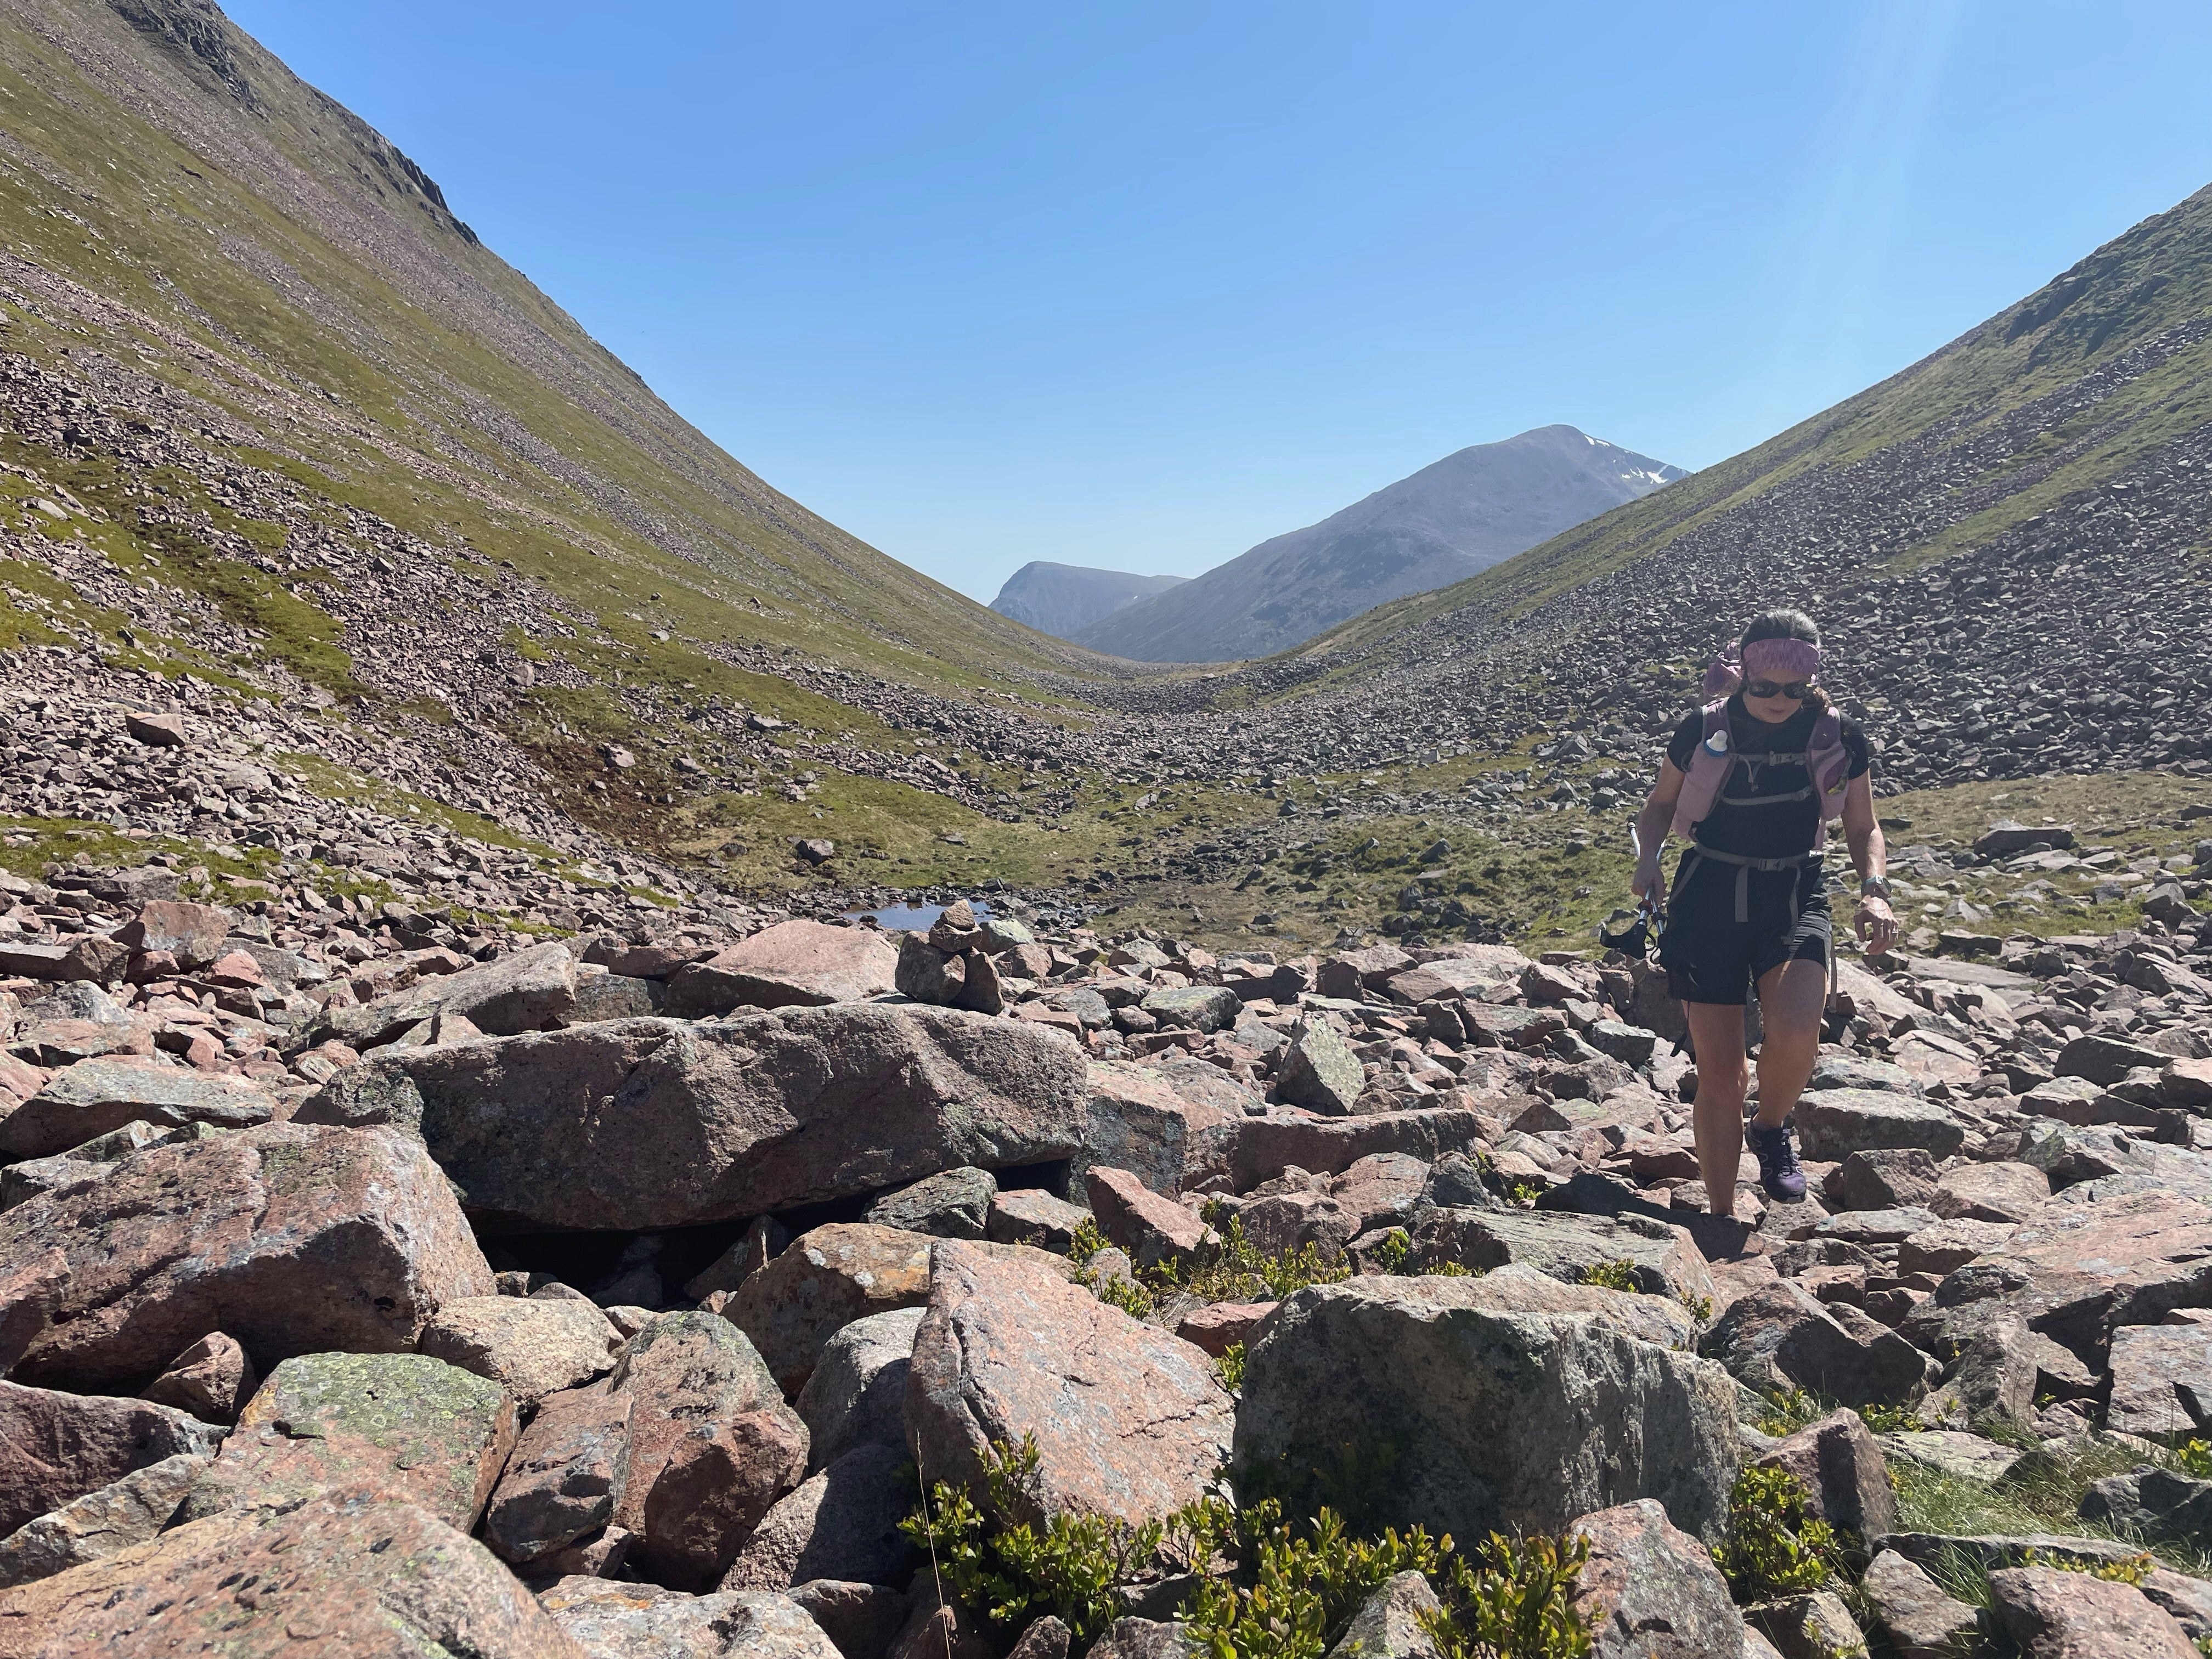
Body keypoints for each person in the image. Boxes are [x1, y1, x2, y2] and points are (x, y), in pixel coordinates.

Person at [1629, 608, 1897, 1216]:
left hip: (1795, 890)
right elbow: (1659, 806)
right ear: (1743, 674)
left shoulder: (1838, 735)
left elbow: (1863, 825)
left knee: (1799, 1026)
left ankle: (1771, 1127)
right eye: (1765, 686)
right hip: (1708, 896)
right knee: (1722, 1071)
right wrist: (1649, 858)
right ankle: (1721, 1216)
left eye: (1794, 688)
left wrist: (1874, 889)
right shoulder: (1702, 729)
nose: (1780, 699)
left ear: (1811, 681)